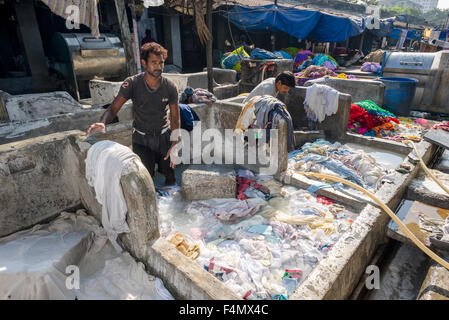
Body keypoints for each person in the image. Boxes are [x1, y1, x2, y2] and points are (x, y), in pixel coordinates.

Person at [86, 42, 180, 185]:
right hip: (141, 139)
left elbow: (175, 117)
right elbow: (113, 109)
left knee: (170, 175)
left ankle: (171, 205)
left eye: (161, 63)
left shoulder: (169, 86)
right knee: (144, 179)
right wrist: (103, 122)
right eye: (153, 62)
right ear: (144, 63)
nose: (159, 66)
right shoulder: (132, 84)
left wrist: (174, 143)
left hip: (163, 137)